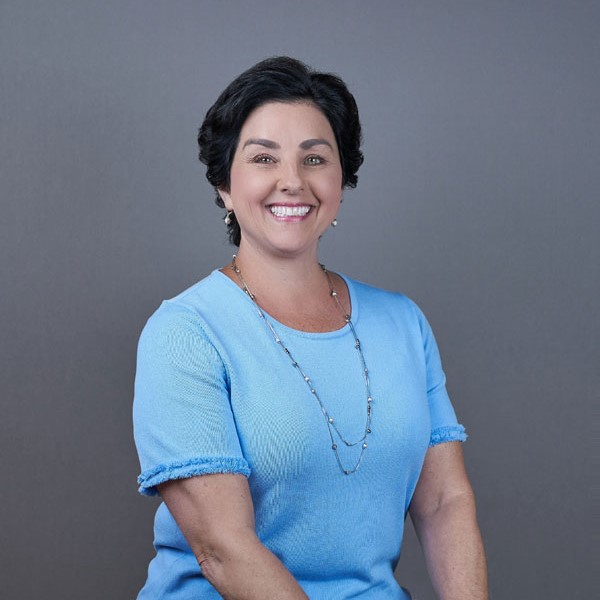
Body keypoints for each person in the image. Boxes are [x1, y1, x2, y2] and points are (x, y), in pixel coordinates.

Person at [133, 56, 488, 599]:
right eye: (264, 158)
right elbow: (222, 549)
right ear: (224, 185)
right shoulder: (185, 333)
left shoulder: (402, 323)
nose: (292, 181)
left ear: (341, 179)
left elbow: (444, 503)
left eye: (315, 158)